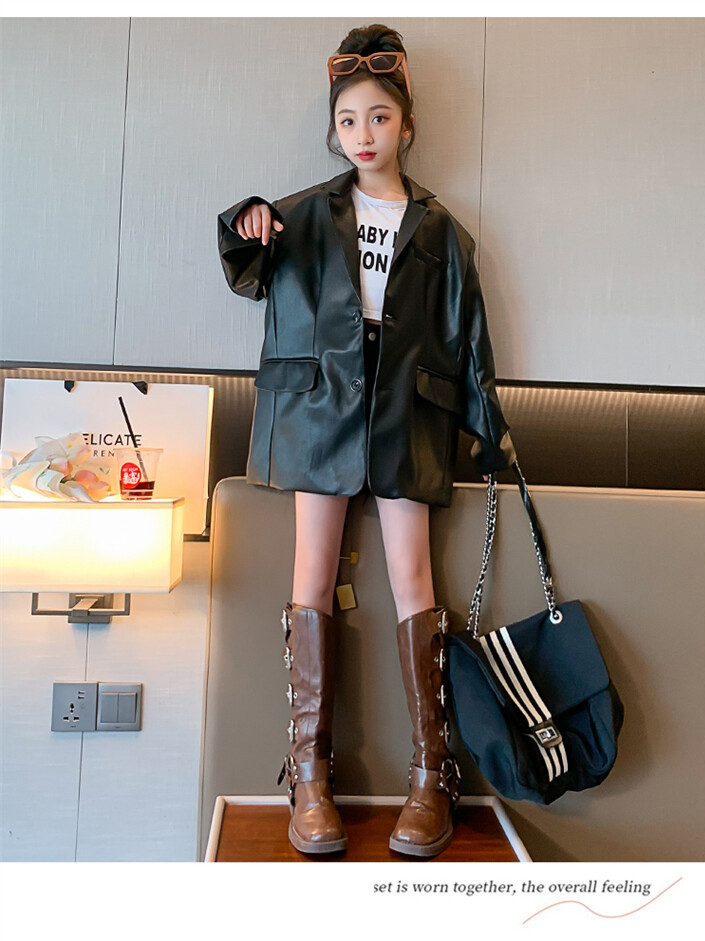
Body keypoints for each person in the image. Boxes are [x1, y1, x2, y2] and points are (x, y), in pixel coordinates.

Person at [217, 24, 516, 859]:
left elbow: (470, 338)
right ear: (335, 129)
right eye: (348, 119)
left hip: (408, 411)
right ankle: (308, 776)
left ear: (406, 125)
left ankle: (432, 776)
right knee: (310, 572)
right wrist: (248, 223)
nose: (363, 133)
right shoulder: (303, 215)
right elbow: (246, 263)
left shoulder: (442, 231)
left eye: (379, 117)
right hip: (323, 410)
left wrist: (489, 433)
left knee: (414, 577)